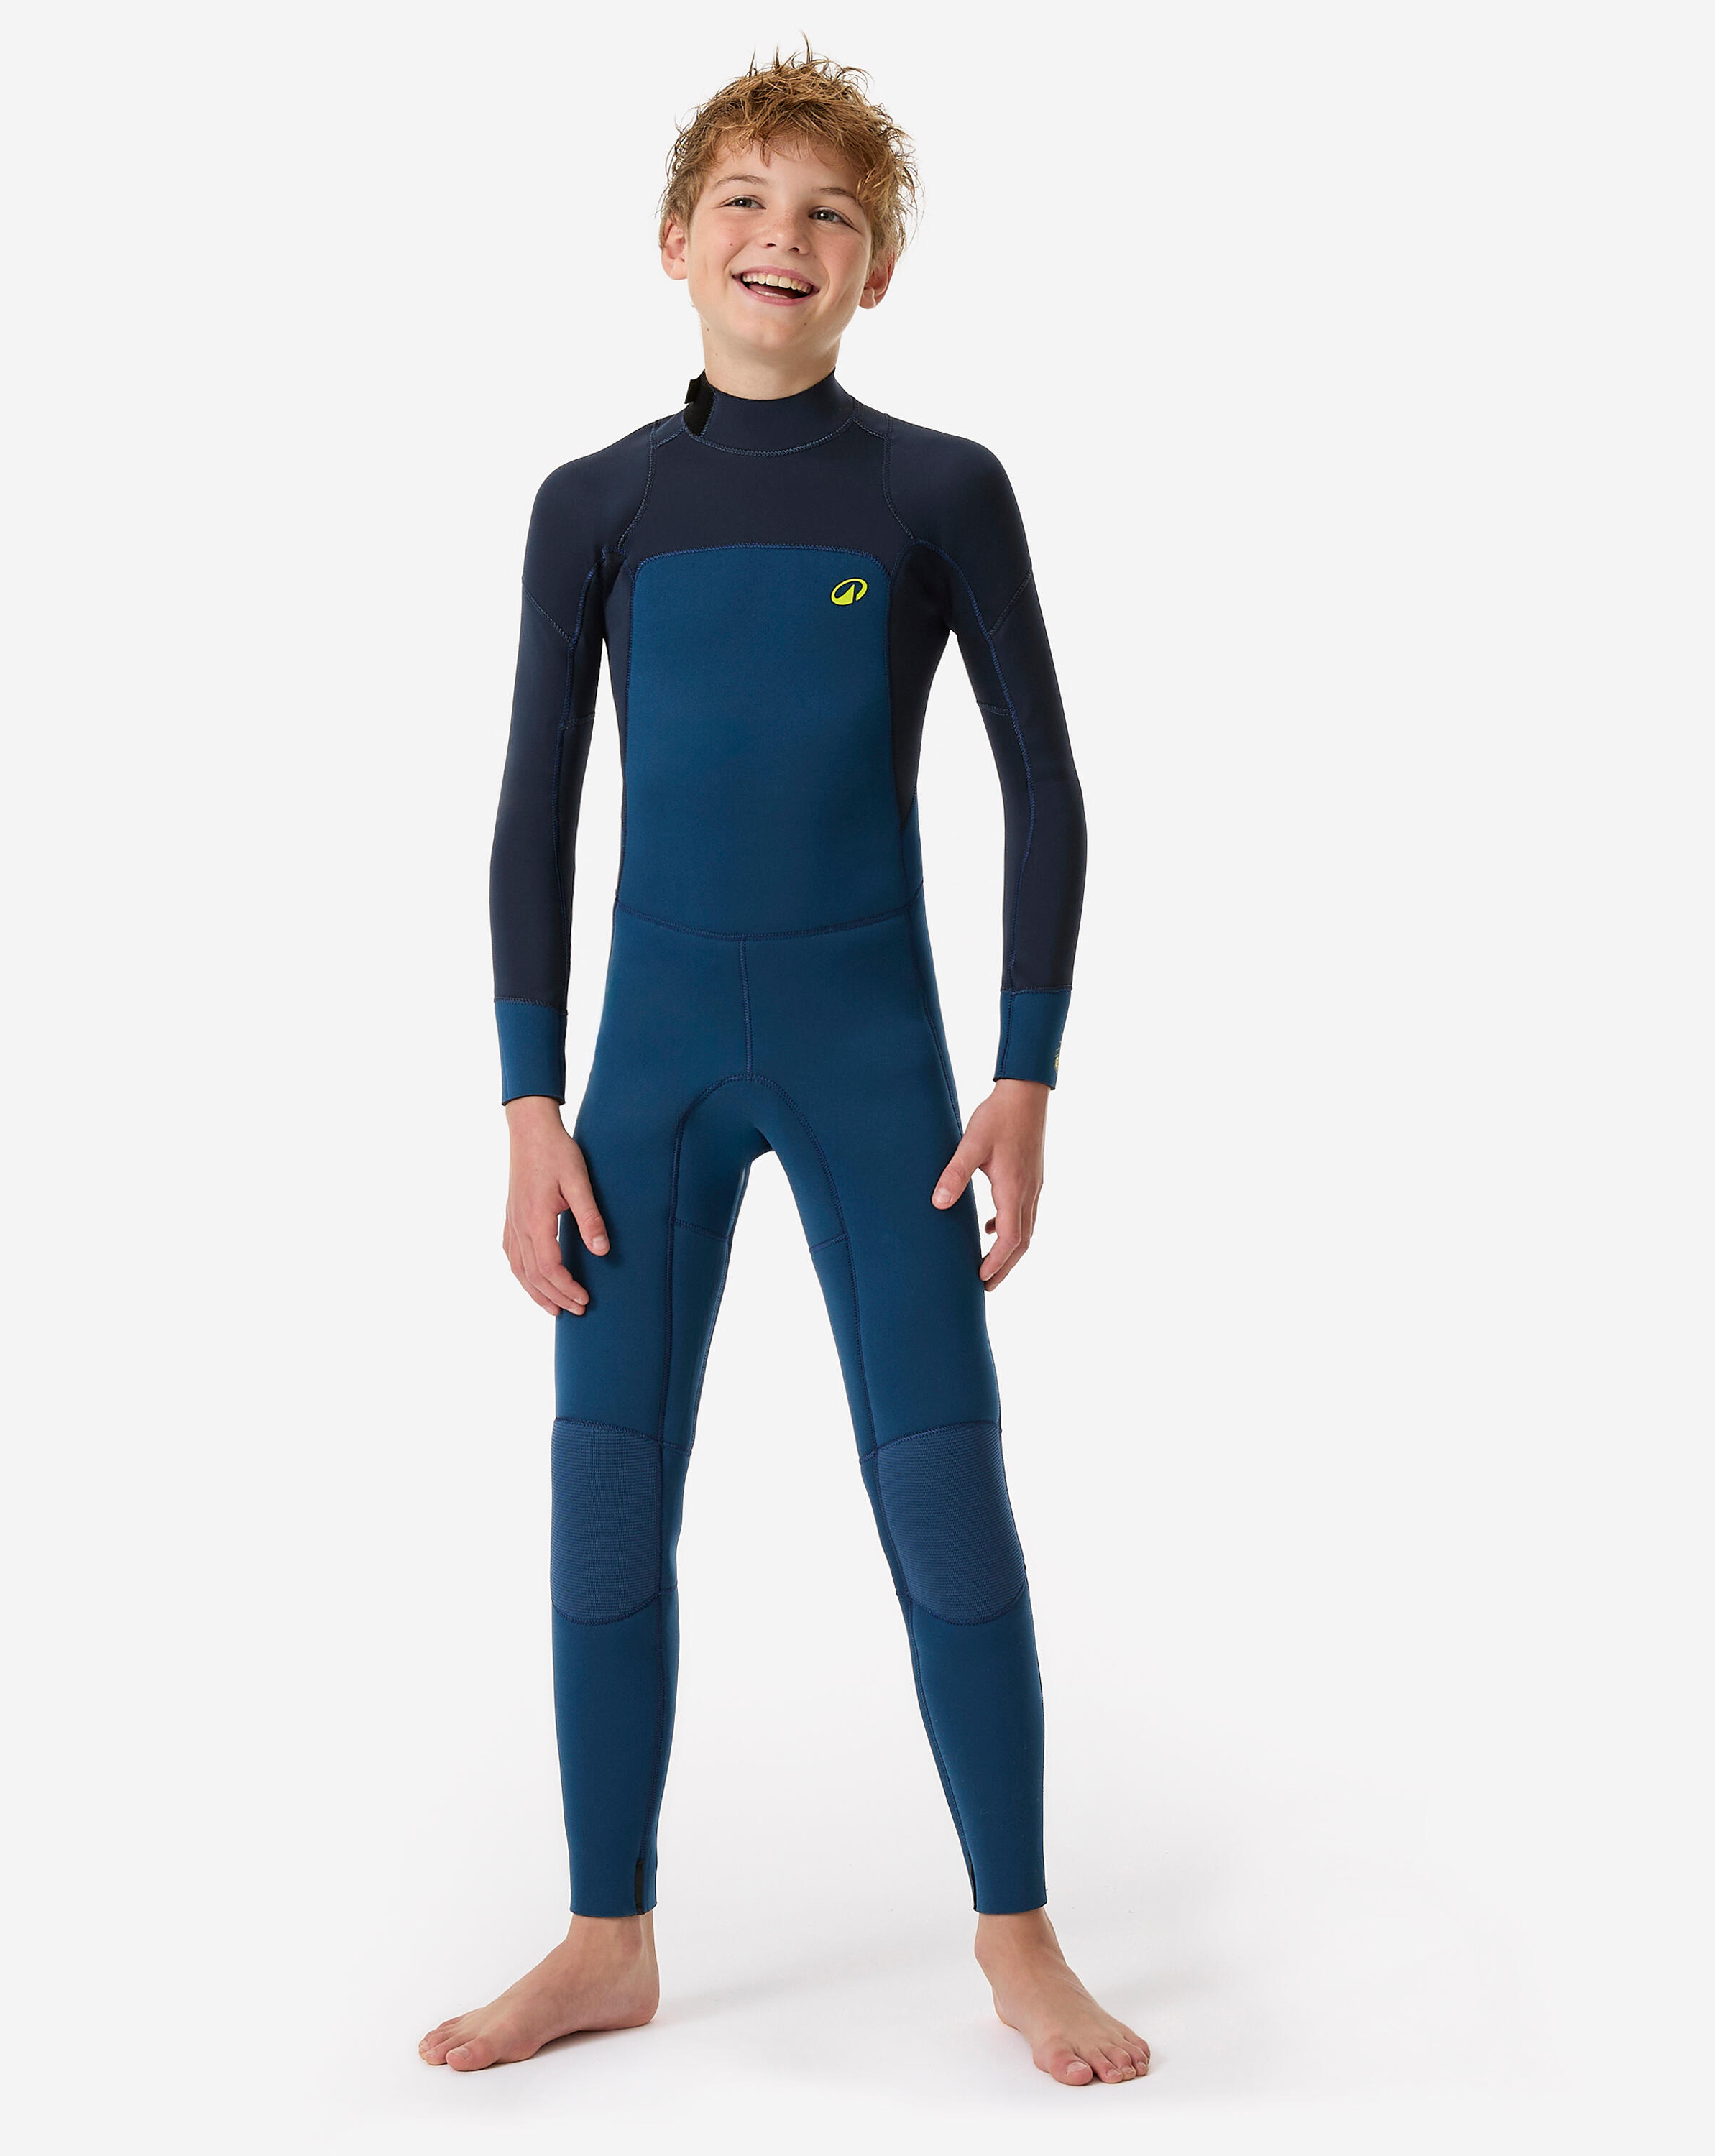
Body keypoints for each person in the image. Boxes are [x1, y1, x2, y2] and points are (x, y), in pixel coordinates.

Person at [423, 50, 1149, 2088]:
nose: (784, 237)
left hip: (874, 1059)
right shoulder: (598, 507)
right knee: (602, 1495)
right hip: (640, 1075)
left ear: (876, 269)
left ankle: (1018, 1938)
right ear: (676, 241)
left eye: (831, 213)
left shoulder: (937, 491)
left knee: (940, 1480)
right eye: (745, 200)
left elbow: (1047, 788)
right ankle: (606, 1936)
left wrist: (1024, 1072)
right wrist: (528, 1105)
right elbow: (534, 810)